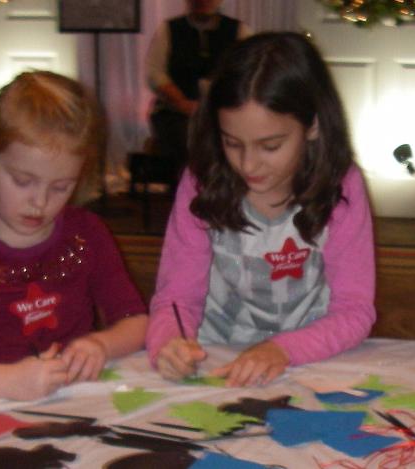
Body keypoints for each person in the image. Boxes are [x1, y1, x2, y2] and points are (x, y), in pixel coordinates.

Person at [146, 32, 376, 387]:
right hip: (215, 353)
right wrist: (168, 343)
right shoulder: (202, 181)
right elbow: (176, 297)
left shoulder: (341, 186)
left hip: (308, 356)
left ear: (313, 124)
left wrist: (282, 349)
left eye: (270, 146)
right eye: (232, 143)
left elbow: (355, 310)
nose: (249, 164)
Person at [0, 71, 149, 400]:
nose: (40, 202)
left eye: (61, 187)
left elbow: (136, 321)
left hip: (73, 398)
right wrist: (7, 382)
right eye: (23, 181)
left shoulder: (87, 233)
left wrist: (101, 344)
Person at [145, 0, 252, 185]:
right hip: (176, 112)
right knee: (189, 139)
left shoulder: (239, 31)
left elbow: (249, 72)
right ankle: (189, 193)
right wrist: (181, 102)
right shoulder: (168, 29)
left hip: (223, 111)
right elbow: (154, 73)